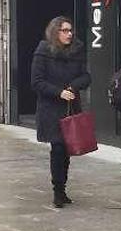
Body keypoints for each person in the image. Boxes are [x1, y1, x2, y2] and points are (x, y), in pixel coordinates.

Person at [30, 16, 91, 208]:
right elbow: (36, 82)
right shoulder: (43, 51)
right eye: (64, 31)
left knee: (66, 150)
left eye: (70, 30)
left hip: (70, 107)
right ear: (55, 32)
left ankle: (62, 187)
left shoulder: (77, 50)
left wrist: (73, 86)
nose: (69, 34)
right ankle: (58, 191)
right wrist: (59, 92)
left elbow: (86, 76)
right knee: (57, 148)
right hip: (51, 109)